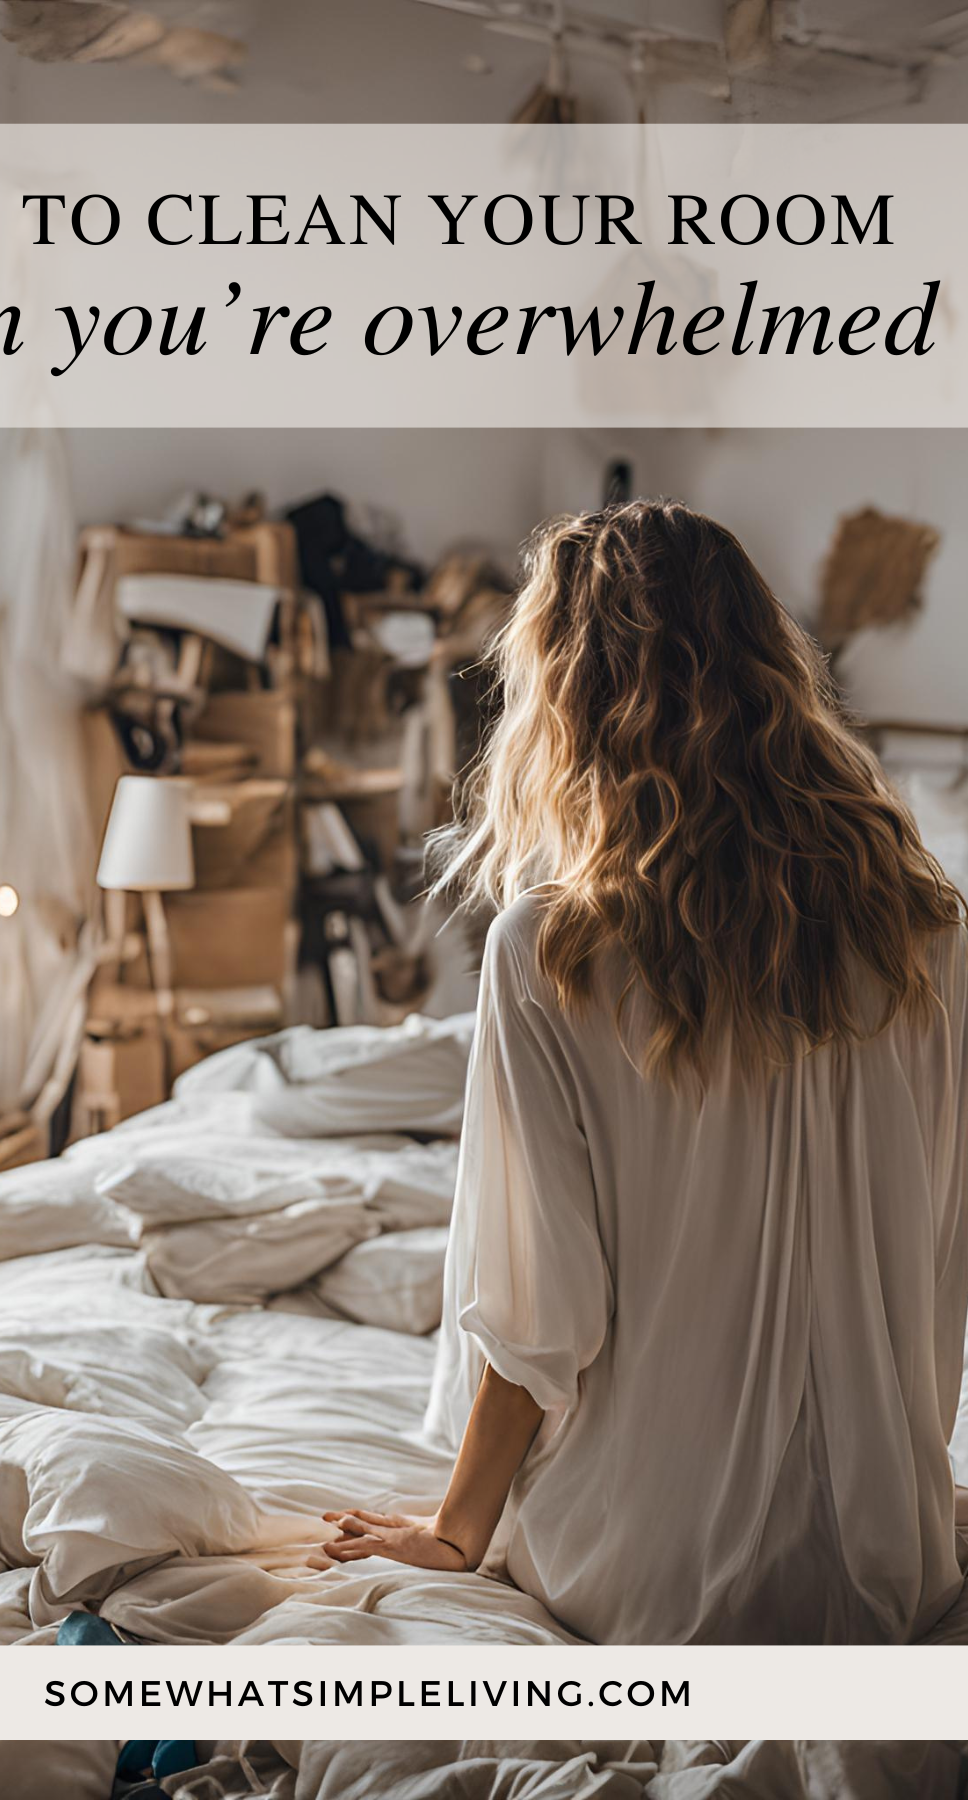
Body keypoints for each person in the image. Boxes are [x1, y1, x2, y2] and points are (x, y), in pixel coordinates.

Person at [322, 499, 968, 1644]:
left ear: (568, 698)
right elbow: (940, 1257)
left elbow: (540, 1315)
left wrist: (457, 1532)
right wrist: (899, 1479)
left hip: (648, 1574)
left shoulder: (548, 947)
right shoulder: (930, 933)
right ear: (773, 669)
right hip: (884, 1563)